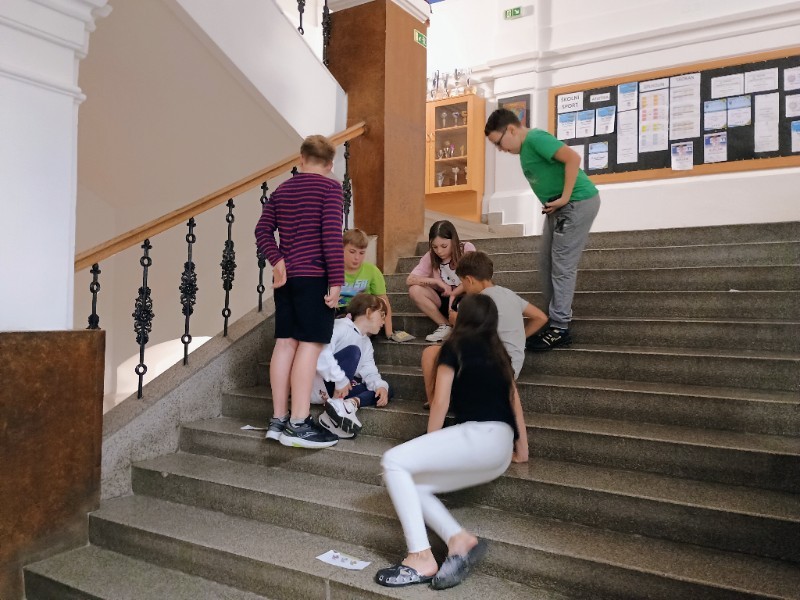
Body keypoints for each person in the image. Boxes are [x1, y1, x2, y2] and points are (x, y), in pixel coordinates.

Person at [375, 294, 528, 590]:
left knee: (393, 461)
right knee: (414, 484)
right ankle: (459, 540)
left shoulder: (454, 346)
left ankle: (420, 556)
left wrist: (431, 446)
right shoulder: (500, 354)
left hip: (477, 437)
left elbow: (440, 402)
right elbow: (514, 402)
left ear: (462, 317)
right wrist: (521, 450)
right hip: (499, 450)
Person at [254, 134, 344, 449]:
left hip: (287, 279)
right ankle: (299, 423)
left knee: (284, 344)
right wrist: (337, 281)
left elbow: (262, 231)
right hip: (315, 277)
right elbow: (331, 237)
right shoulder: (331, 189)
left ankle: (278, 420)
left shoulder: (282, 190)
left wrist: (278, 261)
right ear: (330, 164)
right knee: (310, 345)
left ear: (301, 159)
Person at [485, 108, 601, 351]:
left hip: (576, 203)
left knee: (562, 265)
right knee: (547, 262)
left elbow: (573, 158)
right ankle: (553, 320)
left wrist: (565, 197)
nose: (500, 149)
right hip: (558, 208)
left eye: (499, 143)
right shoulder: (524, 149)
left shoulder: (536, 139)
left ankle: (560, 327)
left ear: (512, 130)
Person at [420, 251, 548, 407]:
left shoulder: (478, 301)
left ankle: (435, 402)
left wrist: (456, 321)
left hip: (488, 370)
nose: (464, 288)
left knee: (430, 353)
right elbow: (540, 317)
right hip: (512, 370)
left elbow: (469, 339)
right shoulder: (510, 294)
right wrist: (520, 336)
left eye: (463, 283)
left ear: (469, 280)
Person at [312, 293, 393, 439]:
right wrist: (341, 380)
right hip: (320, 386)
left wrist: (380, 386)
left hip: (341, 387)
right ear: (369, 312)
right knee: (353, 352)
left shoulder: (366, 343)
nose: (383, 321)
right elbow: (321, 355)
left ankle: (349, 405)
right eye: (382, 315)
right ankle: (337, 406)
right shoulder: (340, 326)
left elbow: (370, 372)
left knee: (385, 389)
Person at [338, 228, 414, 343]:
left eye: (361, 253)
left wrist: (389, 332)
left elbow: (384, 301)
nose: (357, 257)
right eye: (352, 252)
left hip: (362, 313)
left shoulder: (372, 271)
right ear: (341, 249)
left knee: (375, 305)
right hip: (339, 311)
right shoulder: (333, 269)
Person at [406, 220, 475, 343]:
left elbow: (473, 277)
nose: (439, 251)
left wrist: (454, 294)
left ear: (453, 241)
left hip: (465, 299)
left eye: (444, 246)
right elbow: (410, 280)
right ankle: (445, 326)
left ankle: (462, 330)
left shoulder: (466, 248)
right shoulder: (431, 256)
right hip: (443, 299)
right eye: (435, 247)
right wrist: (437, 282)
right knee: (414, 290)